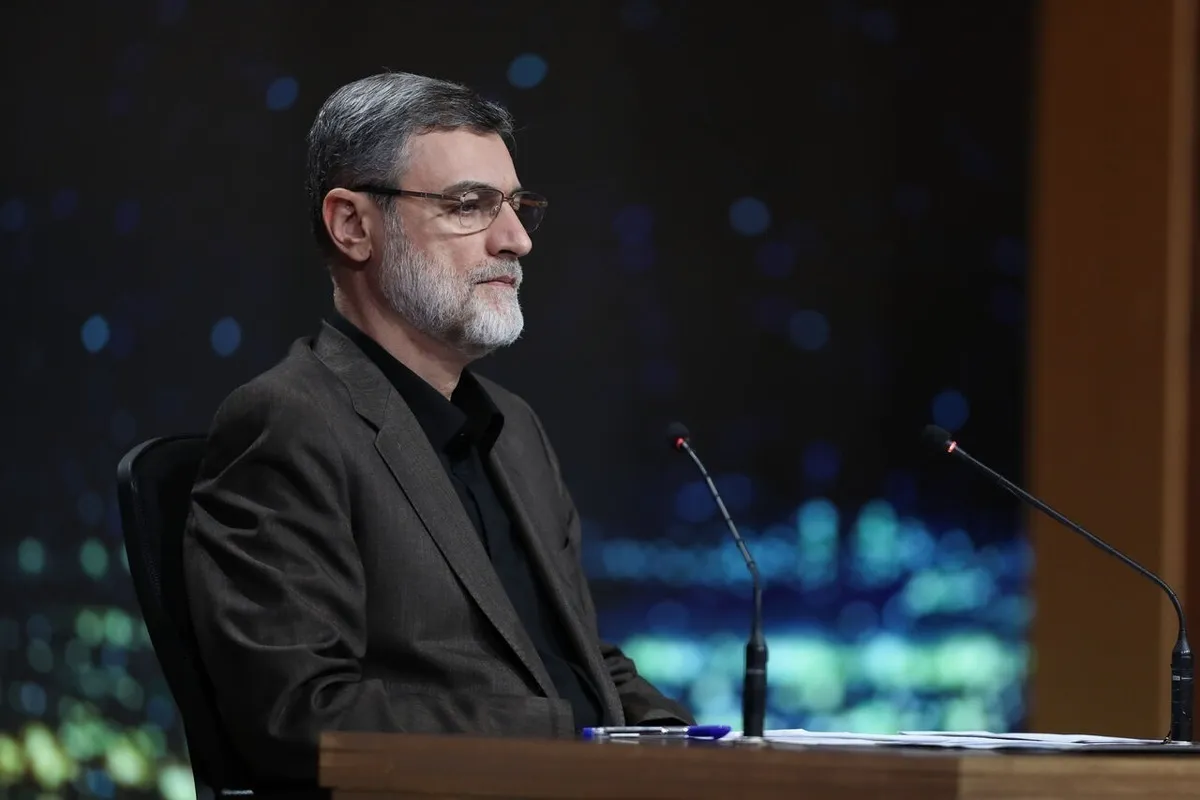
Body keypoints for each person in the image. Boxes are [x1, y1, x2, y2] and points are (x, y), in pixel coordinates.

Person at [182, 71, 694, 790]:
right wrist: (564, 739)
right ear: (353, 225)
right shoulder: (290, 423)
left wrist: (686, 746)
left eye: (516, 206)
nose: (517, 240)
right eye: (469, 206)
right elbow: (300, 716)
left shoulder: (514, 429)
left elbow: (577, 661)